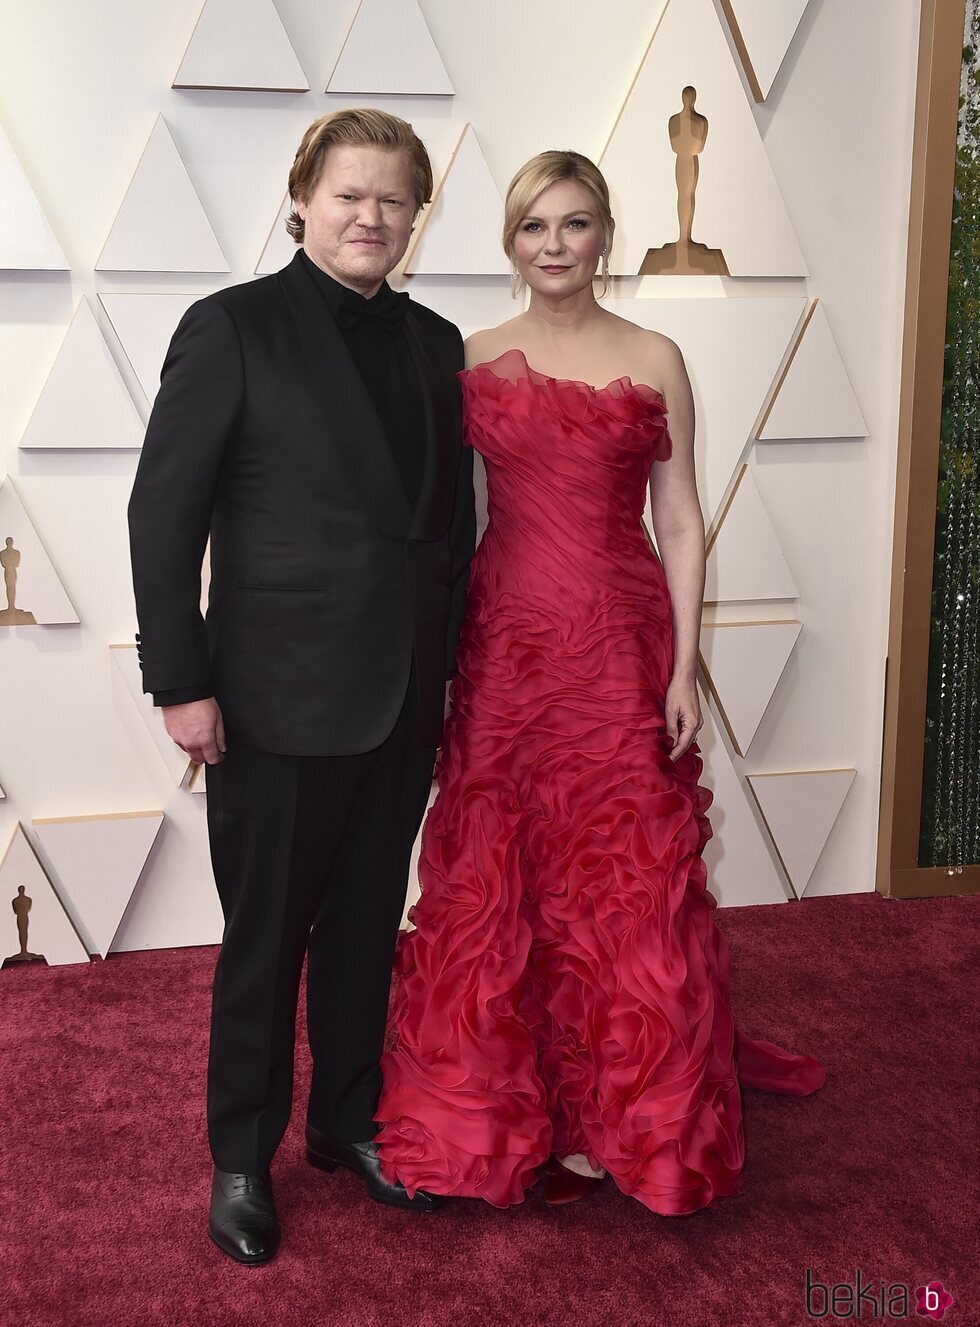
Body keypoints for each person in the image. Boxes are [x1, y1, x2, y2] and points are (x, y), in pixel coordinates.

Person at [375, 150, 824, 1214]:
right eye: (534, 225)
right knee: (501, 875)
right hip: (508, 646)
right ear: (509, 240)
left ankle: (618, 1118)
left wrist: (680, 661)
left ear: (604, 233)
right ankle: (498, 1107)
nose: (554, 245)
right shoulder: (472, 355)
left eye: (573, 224)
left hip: (619, 647)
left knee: (619, 879)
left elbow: (677, 520)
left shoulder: (655, 355)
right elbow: (459, 518)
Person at [128, 108, 475, 1264]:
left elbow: (447, 532)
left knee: (368, 929)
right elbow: (162, 514)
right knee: (265, 941)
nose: (370, 216)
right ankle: (241, 1158)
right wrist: (181, 681)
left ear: (415, 217)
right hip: (271, 702)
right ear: (301, 201)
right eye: (348, 195)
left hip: (402, 699)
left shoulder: (438, 343)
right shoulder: (229, 328)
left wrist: (456, 676)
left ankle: (345, 1125)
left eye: (391, 199)